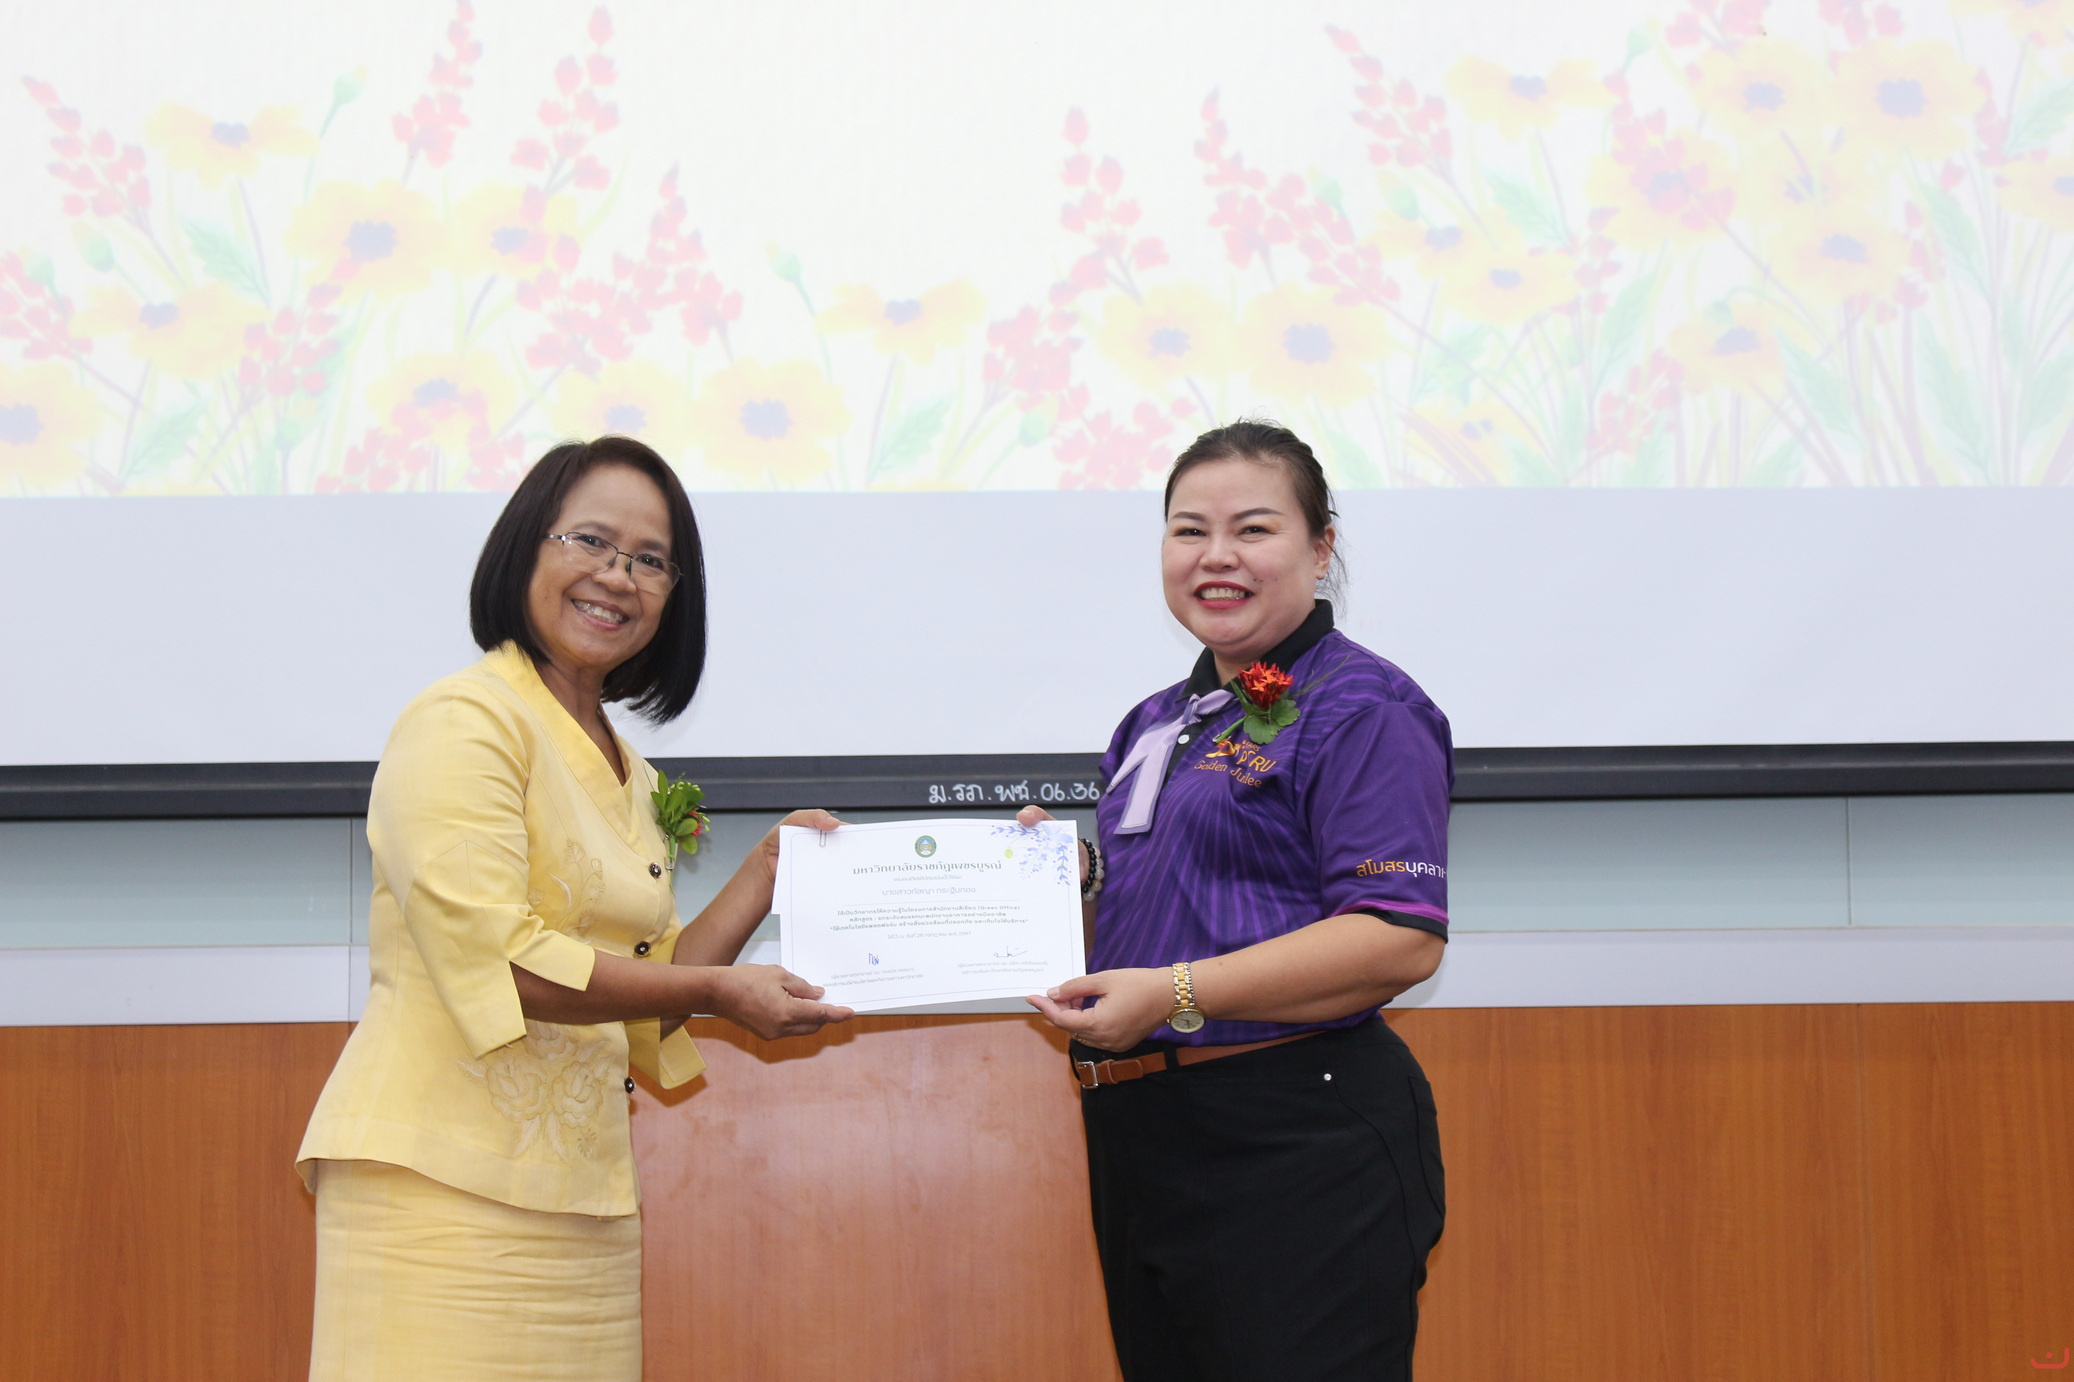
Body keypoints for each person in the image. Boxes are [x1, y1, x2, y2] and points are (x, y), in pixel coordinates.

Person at [295, 436, 852, 1382]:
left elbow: (645, 1002)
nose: (617, 577)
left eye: (650, 560)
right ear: (526, 548)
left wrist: (764, 874)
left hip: (584, 1206)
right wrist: (720, 990)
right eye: (590, 541)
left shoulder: (630, 770)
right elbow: (506, 961)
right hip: (439, 1187)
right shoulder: (465, 720)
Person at [1018, 420, 1451, 1382]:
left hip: (1294, 1130)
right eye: (1189, 531)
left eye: (1253, 529)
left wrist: (1175, 992)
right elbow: (1143, 928)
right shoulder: (1153, 723)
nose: (1216, 557)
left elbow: (1398, 939)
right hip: (1144, 1133)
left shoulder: (1364, 707)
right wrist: (1060, 886)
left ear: (1321, 547)